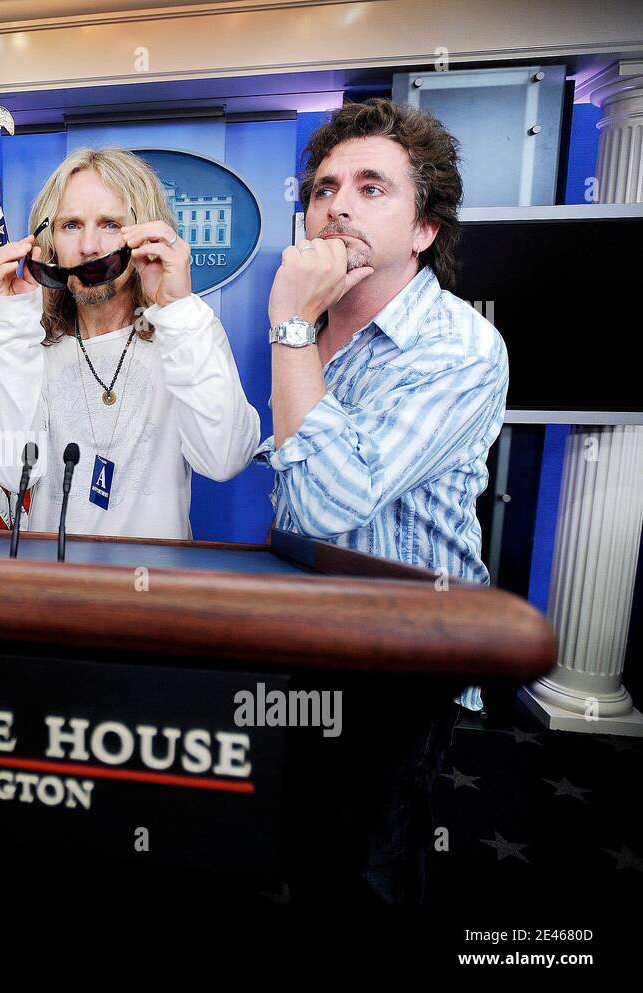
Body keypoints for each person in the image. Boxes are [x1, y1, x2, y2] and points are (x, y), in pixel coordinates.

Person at [260, 98, 509, 903]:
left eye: (373, 188)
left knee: (373, 874)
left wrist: (291, 329)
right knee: (291, 847)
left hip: (401, 658)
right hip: (302, 639)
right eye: (325, 187)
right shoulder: (318, 323)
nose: (337, 205)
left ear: (425, 229)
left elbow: (331, 497)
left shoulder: (459, 348)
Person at [0, 148, 259, 540]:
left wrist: (177, 309)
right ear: (50, 241)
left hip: (155, 592)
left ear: (142, 236)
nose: (90, 245)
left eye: (110, 224)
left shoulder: (185, 334)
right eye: (71, 225)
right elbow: (12, 472)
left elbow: (226, 458)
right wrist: (13, 325)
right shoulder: (30, 346)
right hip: (51, 587)